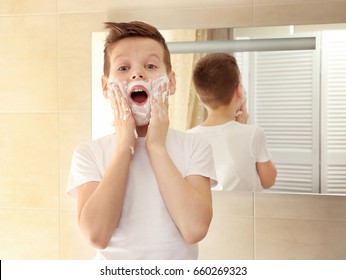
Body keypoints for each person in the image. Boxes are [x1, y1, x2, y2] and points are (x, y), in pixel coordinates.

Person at [66, 21, 217, 260]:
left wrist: (156, 147)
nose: (137, 74)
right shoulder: (89, 153)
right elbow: (96, 235)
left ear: (171, 82)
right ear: (106, 87)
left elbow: (195, 229)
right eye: (123, 68)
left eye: (150, 65)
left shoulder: (195, 147)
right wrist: (124, 143)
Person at [188, 53, 277, 191]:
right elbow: (268, 181)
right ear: (239, 90)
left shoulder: (188, 138)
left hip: (208, 212)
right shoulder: (253, 134)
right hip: (246, 212)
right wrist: (243, 128)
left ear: (199, 96)